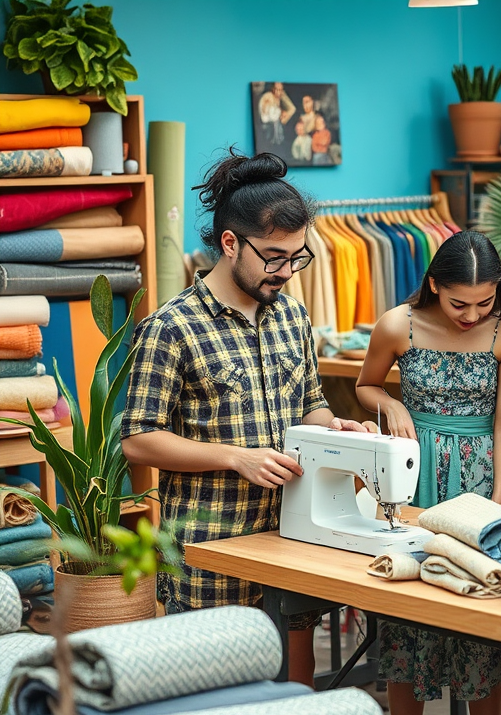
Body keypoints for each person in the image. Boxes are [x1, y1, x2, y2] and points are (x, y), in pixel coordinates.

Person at [121, 149, 371, 686]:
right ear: (230, 244)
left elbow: (309, 401)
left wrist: (338, 430)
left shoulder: (293, 316)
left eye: (298, 258)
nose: (287, 271)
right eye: (275, 257)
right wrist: (236, 458)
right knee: (218, 699)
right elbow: (138, 441)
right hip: (213, 546)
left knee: (292, 688)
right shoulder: (171, 328)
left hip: (290, 534)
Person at [355, 230, 501, 715]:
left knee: (479, 627)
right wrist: (392, 405)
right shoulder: (397, 324)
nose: (472, 314)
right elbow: (365, 385)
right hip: (413, 477)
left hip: (478, 481)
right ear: (433, 284)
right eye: (458, 303)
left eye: (484, 301)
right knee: (406, 618)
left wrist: (497, 503)